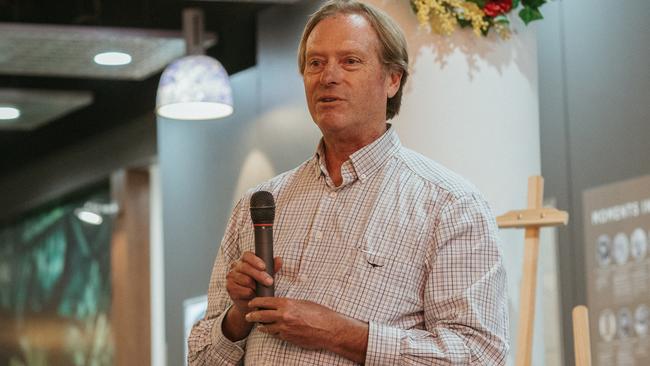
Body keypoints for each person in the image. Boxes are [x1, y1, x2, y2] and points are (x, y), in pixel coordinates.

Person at [188, 0, 509, 364]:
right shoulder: (259, 203)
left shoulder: (450, 205)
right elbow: (200, 359)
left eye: (350, 61)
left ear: (392, 79)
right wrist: (237, 317)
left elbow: (480, 356)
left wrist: (343, 334)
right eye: (315, 63)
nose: (328, 77)